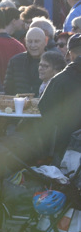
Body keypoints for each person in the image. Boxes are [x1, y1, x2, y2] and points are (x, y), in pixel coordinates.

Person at [38, 34, 81, 164]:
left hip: (67, 144)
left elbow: (44, 108)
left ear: (69, 54)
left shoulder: (59, 79)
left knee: (65, 179)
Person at [4, 27, 47, 96]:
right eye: (30, 41)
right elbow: (8, 90)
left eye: (37, 41)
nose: (33, 45)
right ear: (25, 42)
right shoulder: (15, 62)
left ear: (45, 41)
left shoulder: (54, 62)